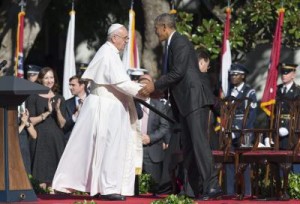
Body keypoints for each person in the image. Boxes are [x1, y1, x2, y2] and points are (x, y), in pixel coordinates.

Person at [52, 23, 147, 201]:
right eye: (125, 38)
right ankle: (107, 187)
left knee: (102, 148)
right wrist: (142, 90)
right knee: (106, 147)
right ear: (114, 38)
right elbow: (120, 83)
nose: (127, 41)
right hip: (105, 107)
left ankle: (101, 186)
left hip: (109, 107)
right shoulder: (107, 53)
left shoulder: (111, 53)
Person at [138, 13, 222, 200]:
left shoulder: (180, 42)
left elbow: (178, 72)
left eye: (156, 28)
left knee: (199, 145)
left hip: (194, 100)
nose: (155, 32)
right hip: (184, 102)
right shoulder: (171, 44)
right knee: (189, 148)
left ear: (165, 27)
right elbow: (177, 77)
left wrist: (155, 85)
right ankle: (192, 190)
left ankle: (213, 186)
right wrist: (162, 91)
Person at [26, 67, 66, 191]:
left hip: (56, 140)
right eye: (46, 78)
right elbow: (30, 120)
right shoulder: (33, 97)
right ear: (41, 80)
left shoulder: (59, 98)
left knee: (56, 177)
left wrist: (57, 110)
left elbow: (62, 124)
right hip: (40, 140)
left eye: (52, 77)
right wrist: (46, 113)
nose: (50, 80)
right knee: (41, 177)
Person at [225, 63, 257, 196]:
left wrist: (239, 131)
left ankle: (247, 193)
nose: (233, 77)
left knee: (244, 163)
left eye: (236, 74)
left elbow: (251, 116)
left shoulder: (250, 92)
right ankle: (230, 193)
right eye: (231, 74)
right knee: (228, 161)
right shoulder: (230, 92)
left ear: (243, 76)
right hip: (230, 130)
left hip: (245, 132)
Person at [138, 74, 170, 195]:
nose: (144, 86)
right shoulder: (131, 104)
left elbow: (165, 126)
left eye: (147, 83)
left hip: (152, 151)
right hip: (133, 149)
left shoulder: (159, 106)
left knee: (153, 189)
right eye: (141, 83)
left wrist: (150, 138)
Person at [276, 63, 300, 173]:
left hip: (293, 132)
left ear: (293, 75)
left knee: (294, 166)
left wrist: (288, 127)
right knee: (280, 166)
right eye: (282, 73)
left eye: (287, 73)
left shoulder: (298, 91)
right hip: (277, 132)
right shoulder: (277, 90)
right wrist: (268, 134)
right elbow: (271, 113)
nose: (284, 75)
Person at [63, 75, 89, 142]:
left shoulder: (92, 100)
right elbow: (64, 126)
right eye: (70, 85)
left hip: (88, 140)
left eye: (73, 85)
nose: (70, 87)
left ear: (82, 85)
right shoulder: (66, 104)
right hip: (72, 141)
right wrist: (74, 117)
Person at [18, 108, 37, 174]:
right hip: (15, 152)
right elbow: (11, 134)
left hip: (25, 154)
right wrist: (23, 124)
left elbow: (34, 135)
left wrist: (26, 122)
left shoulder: (24, 117)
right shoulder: (8, 115)